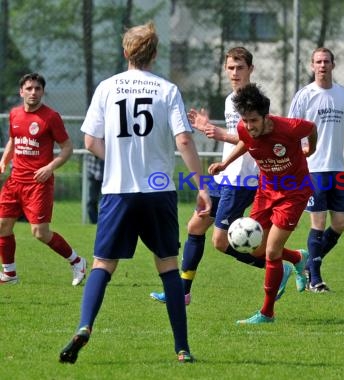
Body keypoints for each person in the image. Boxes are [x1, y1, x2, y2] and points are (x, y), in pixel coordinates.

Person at [59, 22, 211, 364]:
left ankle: (84, 325)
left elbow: (89, 141)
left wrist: (119, 160)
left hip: (118, 190)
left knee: (103, 263)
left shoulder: (107, 88)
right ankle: (182, 348)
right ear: (155, 53)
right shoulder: (167, 89)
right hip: (158, 192)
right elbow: (184, 140)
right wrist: (202, 187)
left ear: (126, 52)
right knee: (168, 265)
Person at [150, 46, 295, 306]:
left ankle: (283, 266)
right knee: (195, 226)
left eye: (240, 67)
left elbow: (254, 139)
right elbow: (237, 136)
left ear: (251, 69)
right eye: (230, 67)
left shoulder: (257, 102)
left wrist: (216, 132)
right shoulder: (230, 100)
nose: (235, 72)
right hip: (226, 175)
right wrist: (213, 133)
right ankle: (182, 292)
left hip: (244, 179)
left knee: (220, 241)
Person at [209, 83, 317, 324]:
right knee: (255, 248)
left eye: (253, 121)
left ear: (266, 117)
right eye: (245, 121)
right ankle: (298, 259)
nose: (248, 126)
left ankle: (267, 313)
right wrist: (225, 164)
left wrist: (312, 148)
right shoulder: (245, 128)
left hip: (293, 193)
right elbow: (246, 142)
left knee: (271, 251)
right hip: (266, 191)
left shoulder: (290, 128)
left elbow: (312, 128)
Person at [288, 47, 344, 293]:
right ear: (312, 66)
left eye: (326, 61)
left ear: (333, 65)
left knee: (341, 223)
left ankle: (308, 263)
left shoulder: (342, 94)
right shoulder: (304, 95)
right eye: (318, 62)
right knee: (318, 223)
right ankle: (315, 280)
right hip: (313, 169)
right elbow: (290, 130)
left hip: (337, 169)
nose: (322, 65)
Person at [0, 73, 87, 286]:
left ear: (42, 92)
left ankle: (77, 261)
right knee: (2, 225)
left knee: (40, 232)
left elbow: (67, 148)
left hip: (39, 184)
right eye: (29, 88)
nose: (33, 92)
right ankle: (10, 274)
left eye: (37, 88)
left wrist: (49, 167)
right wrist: (3, 160)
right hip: (15, 181)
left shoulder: (50, 117)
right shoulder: (14, 114)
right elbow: (13, 140)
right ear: (21, 92)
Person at [85, 154, 104, 224]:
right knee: (92, 200)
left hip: (106, 173)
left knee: (106, 200)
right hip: (92, 171)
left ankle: (105, 220)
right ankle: (94, 221)